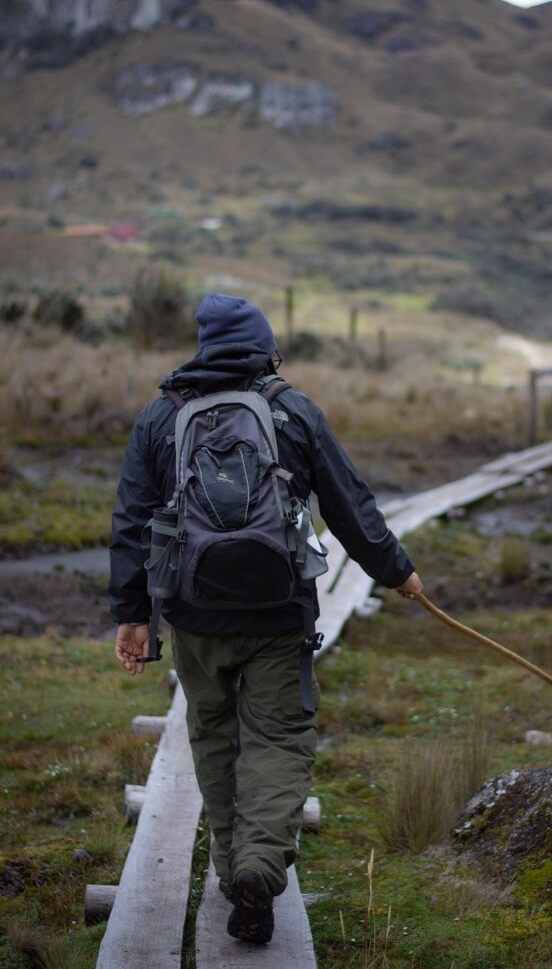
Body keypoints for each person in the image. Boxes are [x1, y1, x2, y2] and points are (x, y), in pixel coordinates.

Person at [109, 293, 422, 944]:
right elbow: (348, 503)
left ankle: (235, 871)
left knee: (214, 736)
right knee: (278, 739)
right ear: (263, 347)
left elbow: (133, 520)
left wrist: (133, 614)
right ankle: (259, 866)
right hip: (280, 613)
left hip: (194, 614)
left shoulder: (161, 416)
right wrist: (395, 570)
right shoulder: (294, 410)